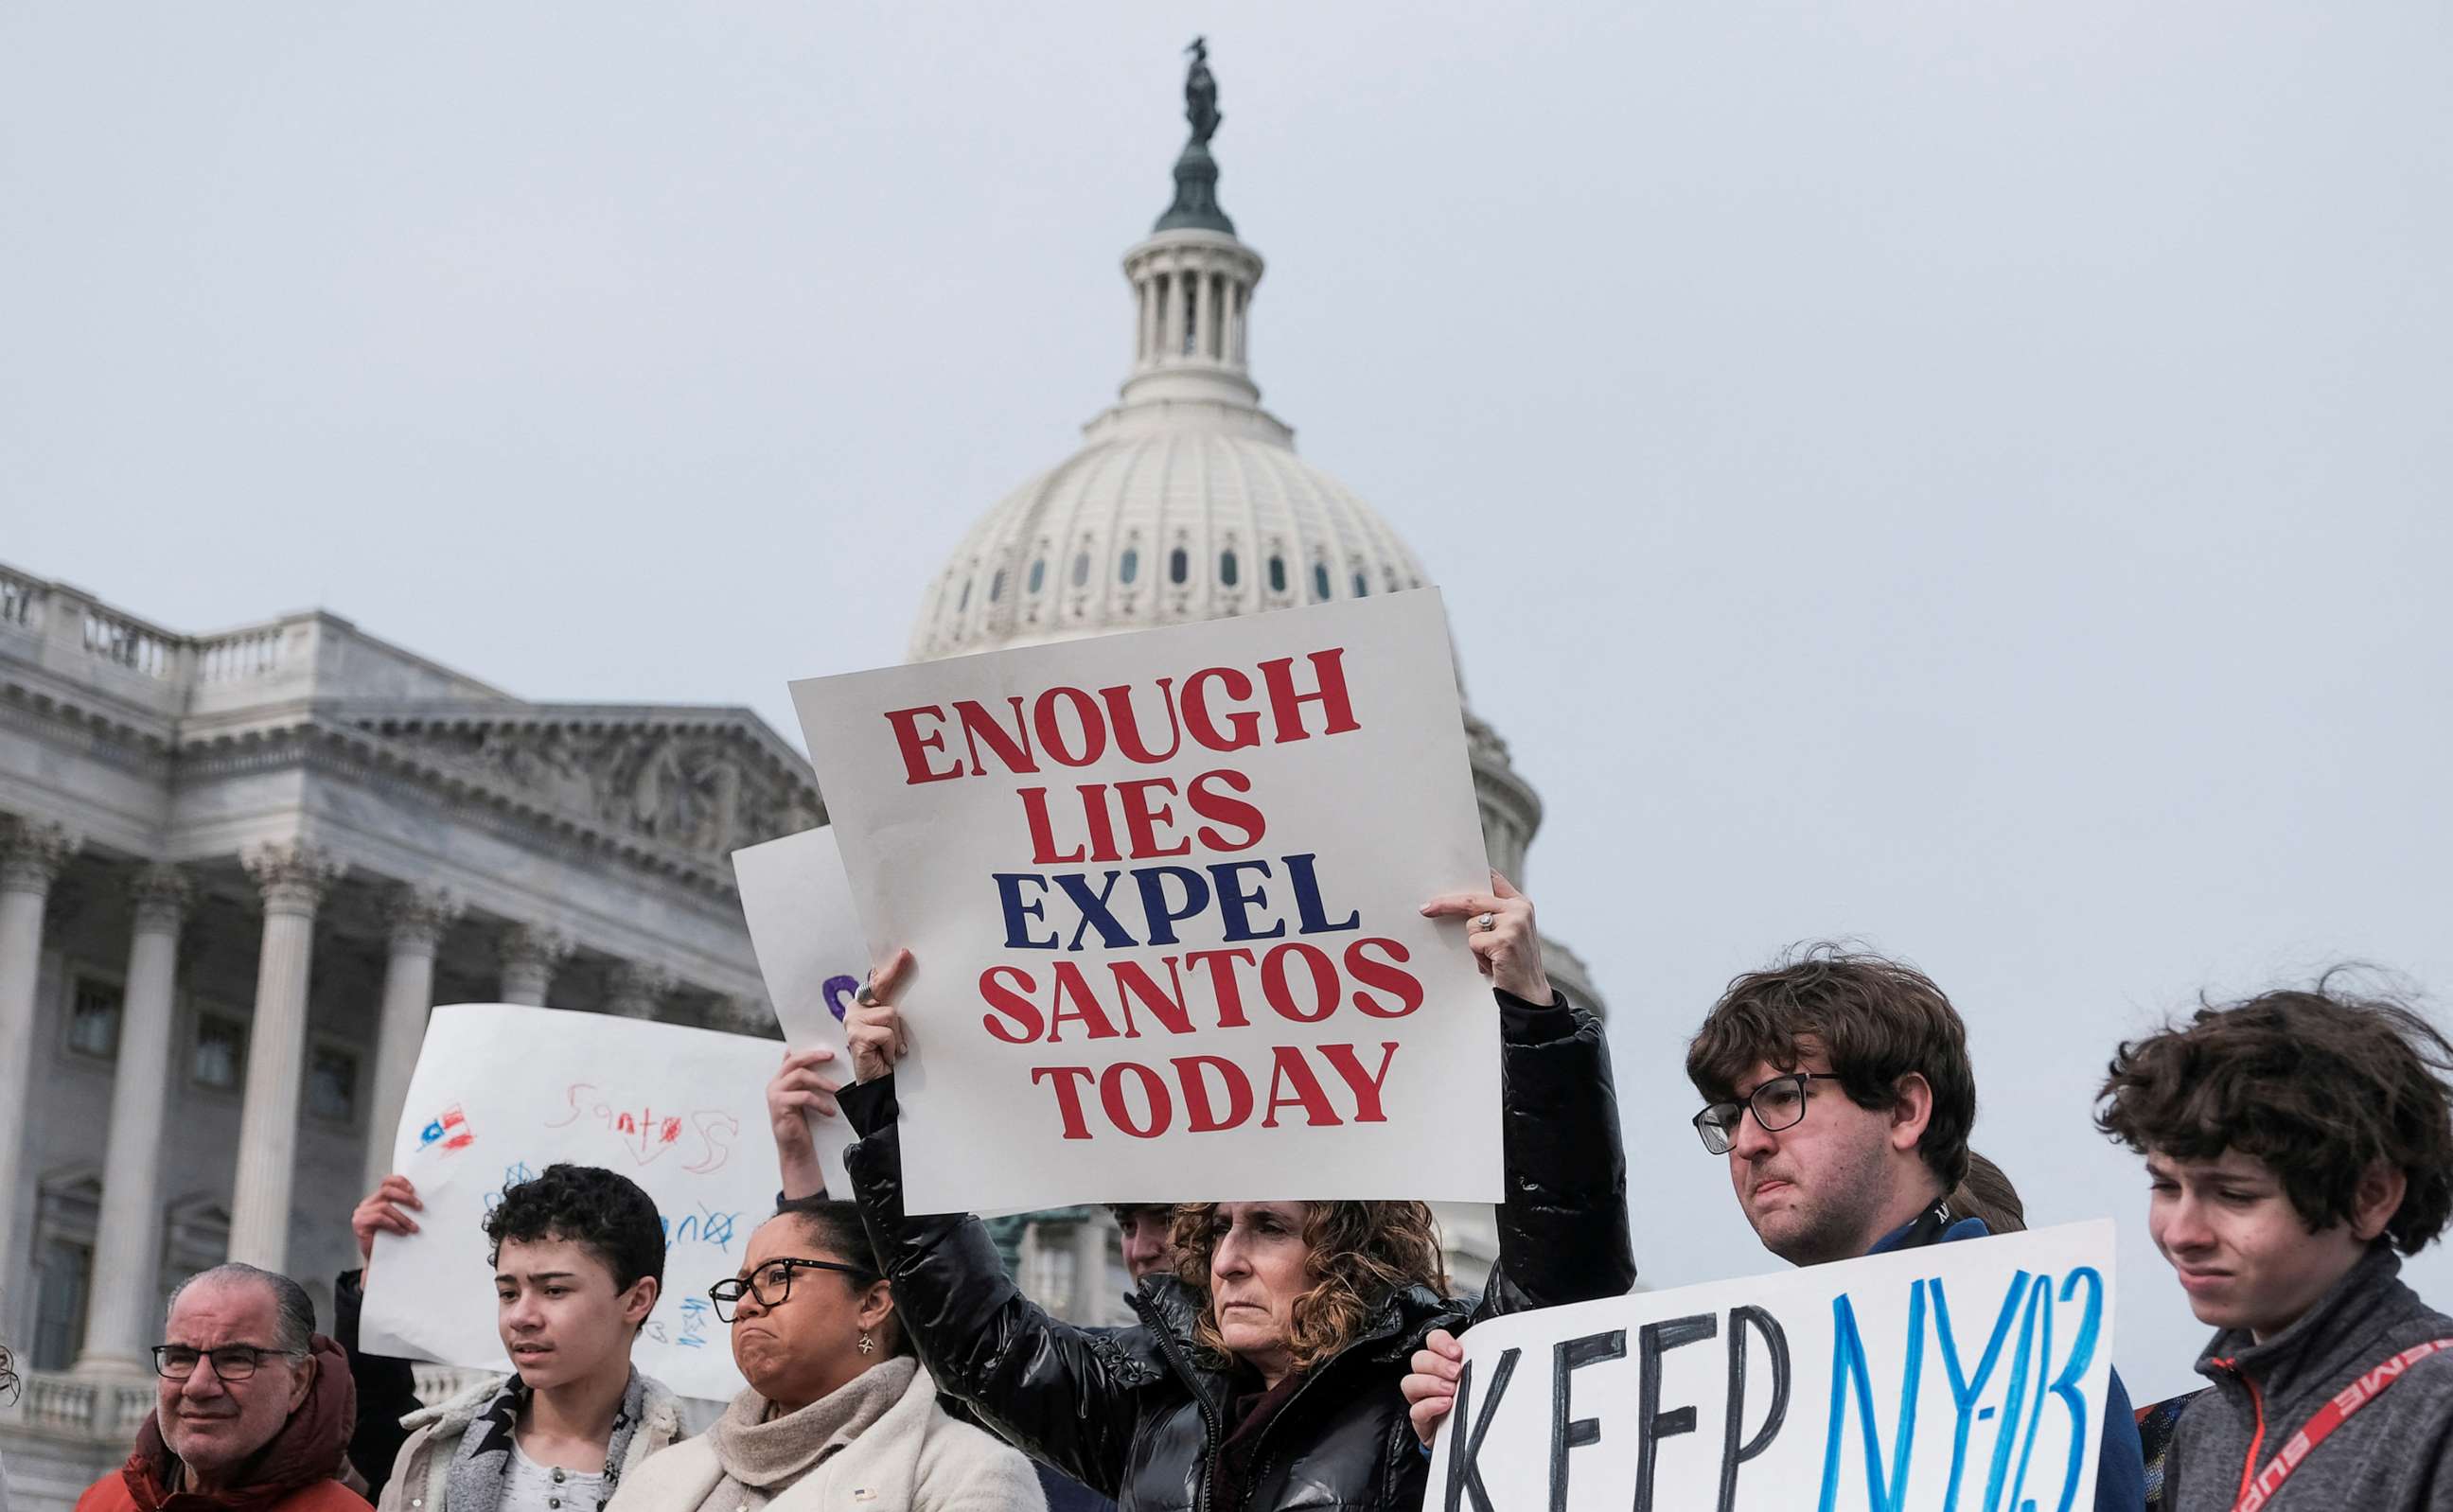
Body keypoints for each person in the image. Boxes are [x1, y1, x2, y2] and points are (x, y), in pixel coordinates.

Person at [834, 875, 1636, 1511]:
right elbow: (980, 1344)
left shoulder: (1430, 1387)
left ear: (1348, 1251)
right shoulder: (1148, 1403)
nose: (1228, 1260)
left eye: (1269, 1228)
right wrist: (888, 1120)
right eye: (1220, 1227)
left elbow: (1568, 1264)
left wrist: (1532, 1019)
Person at [1403, 942, 2147, 1510]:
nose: (1750, 1141)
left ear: (1906, 1110)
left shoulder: (2039, 1367)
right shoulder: (1708, 1391)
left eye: (1783, 1097)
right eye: (1730, 1116)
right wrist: (1499, 1446)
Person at [2096, 979, 2453, 1512]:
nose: (2181, 1233)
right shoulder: (2204, 1430)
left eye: (2235, 1195)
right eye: (2167, 1186)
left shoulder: (2437, 1412)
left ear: (2370, 1197)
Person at [605, 1195, 1045, 1512]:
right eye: (741, 1287)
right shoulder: (664, 1472)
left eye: (777, 1276)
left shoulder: (968, 1473)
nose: (745, 1304)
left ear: (872, 1304)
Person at [344, 1164, 685, 1512]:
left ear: (637, 1299)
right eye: (508, 1293)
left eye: (554, 1290)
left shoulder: (692, 1474)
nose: (522, 1317)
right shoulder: (432, 1454)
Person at [77, 1263, 368, 1512]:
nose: (198, 1385)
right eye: (181, 1358)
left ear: (299, 1381)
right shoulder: (103, 1502)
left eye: (235, 1360)